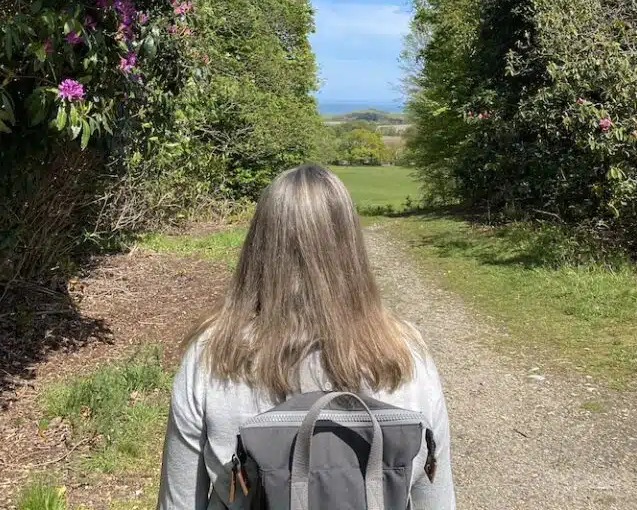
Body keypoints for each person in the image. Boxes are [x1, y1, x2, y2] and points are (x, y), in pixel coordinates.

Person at [157, 163, 455, 510]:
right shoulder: (406, 355)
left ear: (259, 245)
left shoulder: (213, 355)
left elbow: (178, 501)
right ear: (350, 247)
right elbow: (435, 496)